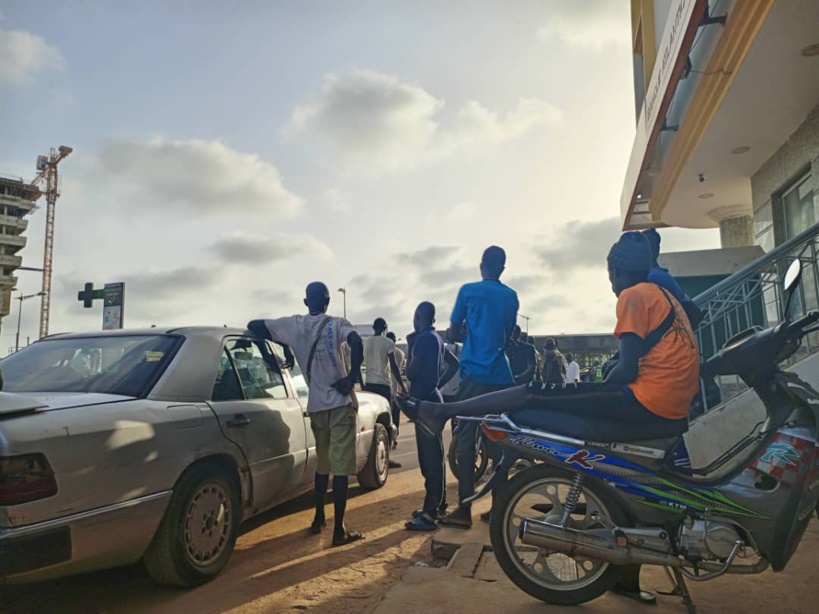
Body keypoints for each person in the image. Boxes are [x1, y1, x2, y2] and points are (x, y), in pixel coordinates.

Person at [400, 232, 700, 602]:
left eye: (609, 274)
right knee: (524, 410)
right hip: (667, 406)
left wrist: (604, 379)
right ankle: (623, 576)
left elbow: (625, 369)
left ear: (617, 270)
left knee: (533, 396)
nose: (610, 282)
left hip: (641, 402)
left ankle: (442, 416)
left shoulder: (634, 295)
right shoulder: (667, 296)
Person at [247, 282, 365, 547]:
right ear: (327, 302)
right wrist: (350, 377)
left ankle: (319, 519)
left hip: (316, 408)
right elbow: (357, 343)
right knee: (342, 470)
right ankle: (339, 530)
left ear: (305, 302)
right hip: (340, 405)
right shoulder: (337, 323)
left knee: (322, 467)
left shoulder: (293, 325)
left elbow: (254, 325)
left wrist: (283, 348)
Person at [439, 245, 519, 529]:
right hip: (501, 377)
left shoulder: (467, 291)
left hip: (473, 373)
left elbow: (452, 330)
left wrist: (463, 332)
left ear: (481, 264)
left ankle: (463, 510)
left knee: (465, 439)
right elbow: (508, 332)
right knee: (500, 441)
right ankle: (498, 509)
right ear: (502, 269)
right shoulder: (511, 297)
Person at [404, 302, 459, 531]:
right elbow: (454, 364)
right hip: (433, 397)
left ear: (418, 316)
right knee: (435, 456)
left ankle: (430, 512)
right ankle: (439, 503)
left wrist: (409, 345)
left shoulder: (423, 339)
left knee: (430, 459)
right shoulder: (436, 337)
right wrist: (438, 384)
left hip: (424, 403)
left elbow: (410, 372)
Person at [363, 318, 407, 468]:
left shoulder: (366, 343)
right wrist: (402, 385)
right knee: (386, 421)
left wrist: (362, 384)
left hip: (369, 385)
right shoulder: (388, 343)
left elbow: (358, 362)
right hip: (383, 385)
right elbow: (393, 366)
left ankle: (371, 458)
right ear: (385, 328)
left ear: (373, 327)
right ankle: (386, 458)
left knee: (373, 422)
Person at [385, 331, 406, 446]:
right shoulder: (401, 353)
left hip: (386, 385)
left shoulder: (384, 351)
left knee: (387, 415)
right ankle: (395, 437)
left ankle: (388, 437)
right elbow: (400, 368)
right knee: (395, 415)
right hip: (397, 387)